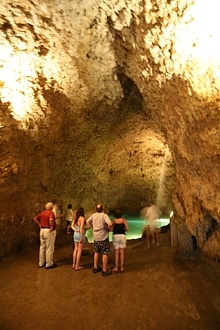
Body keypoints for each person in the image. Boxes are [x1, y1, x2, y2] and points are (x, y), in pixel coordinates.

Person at [86, 204, 112, 276]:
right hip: (103, 237)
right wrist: (108, 229)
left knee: (96, 252)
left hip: (96, 237)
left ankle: (95, 267)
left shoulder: (93, 215)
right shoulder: (104, 215)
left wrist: (92, 227)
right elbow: (110, 223)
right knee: (105, 252)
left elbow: (87, 221)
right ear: (103, 208)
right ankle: (104, 270)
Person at [33, 202, 57, 269]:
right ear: (51, 207)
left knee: (42, 247)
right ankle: (49, 263)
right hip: (48, 231)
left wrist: (39, 224)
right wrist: (51, 227)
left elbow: (35, 218)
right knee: (49, 247)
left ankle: (41, 262)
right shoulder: (50, 212)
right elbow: (51, 219)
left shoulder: (42, 213)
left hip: (42, 230)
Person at [112, 208, 129, 273]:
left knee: (116, 252)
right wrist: (123, 229)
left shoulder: (113, 221)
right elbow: (127, 228)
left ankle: (116, 267)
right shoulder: (123, 220)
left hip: (115, 236)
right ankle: (121, 267)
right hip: (122, 236)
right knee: (122, 252)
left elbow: (111, 229)